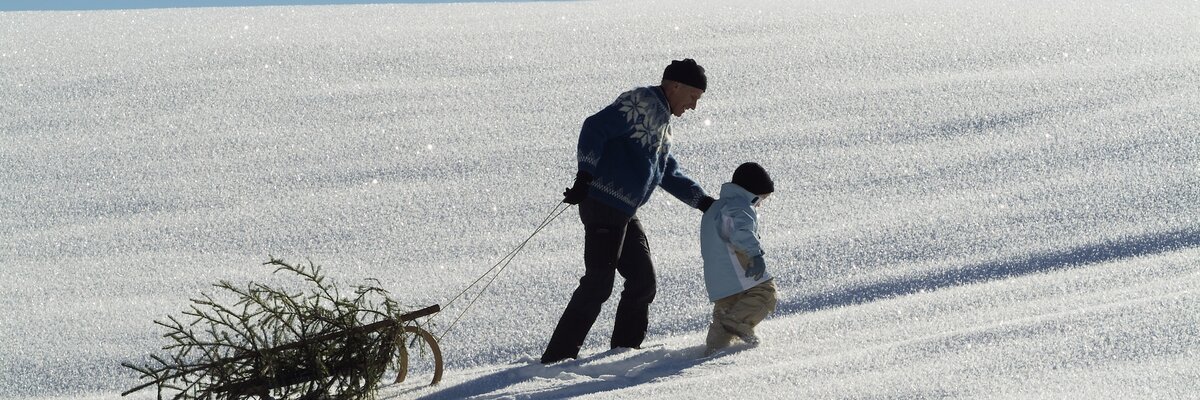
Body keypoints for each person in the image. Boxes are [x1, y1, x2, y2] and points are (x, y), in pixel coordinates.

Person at [541, 59, 716, 364]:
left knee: (642, 281)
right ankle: (557, 359)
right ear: (675, 85)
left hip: (623, 211)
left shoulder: (661, 119)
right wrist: (585, 175)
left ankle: (623, 353)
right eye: (693, 97)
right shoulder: (643, 102)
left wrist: (703, 202)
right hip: (604, 205)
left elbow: (666, 171)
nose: (693, 106)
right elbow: (594, 127)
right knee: (599, 283)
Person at [700, 162, 777, 355]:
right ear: (753, 191)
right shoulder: (739, 206)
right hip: (736, 267)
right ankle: (738, 322)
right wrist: (755, 255)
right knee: (765, 293)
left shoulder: (716, 207)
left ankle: (714, 349)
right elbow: (741, 233)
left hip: (717, 277)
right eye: (762, 198)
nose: (761, 203)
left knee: (727, 310)